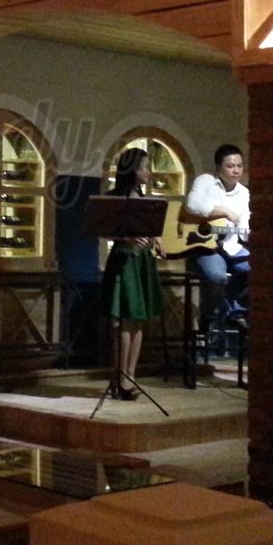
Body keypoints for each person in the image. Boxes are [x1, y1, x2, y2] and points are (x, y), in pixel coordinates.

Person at [100, 147, 163, 400]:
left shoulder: (144, 197)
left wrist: (156, 238)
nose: (148, 172)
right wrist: (125, 237)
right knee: (125, 320)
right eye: (144, 167)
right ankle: (120, 377)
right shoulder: (115, 197)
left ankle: (131, 375)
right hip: (125, 259)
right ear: (132, 170)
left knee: (138, 319)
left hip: (142, 259)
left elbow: (150, 227)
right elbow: (101, 229)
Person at [180, 143, 251, 344]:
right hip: (203, 247)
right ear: (218, 168)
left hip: (232, 246)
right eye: (230, 166)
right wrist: (223, 211)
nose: (236, 170)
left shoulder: (245, 194)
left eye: (239, 166)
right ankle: (209, 316)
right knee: (216, 276)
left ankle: (235, 312)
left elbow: (245, 228)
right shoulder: (206, 182)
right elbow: (192, 205)